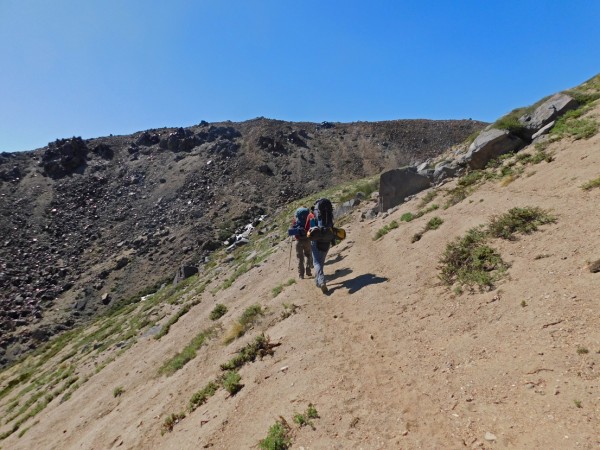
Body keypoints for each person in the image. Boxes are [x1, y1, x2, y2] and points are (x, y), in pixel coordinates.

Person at [309, 199, 335, 294]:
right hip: (327, 238)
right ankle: (317, 281)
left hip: (316, 239)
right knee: (321, 261)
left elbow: (310, 228)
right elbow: (332, 224)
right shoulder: (329, 213)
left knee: (316, 262)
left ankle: (321, 281)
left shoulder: (313, 215)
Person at [292, 207, 314, 279]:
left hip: (298, 242)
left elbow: (292, 231)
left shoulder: (295, 221)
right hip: (307, 240)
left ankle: (301, 275)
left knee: (300, 258)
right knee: (308, 255)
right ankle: (308, 270)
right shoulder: (308, 221)